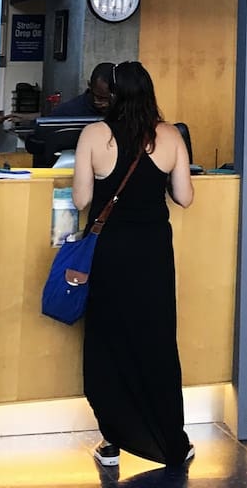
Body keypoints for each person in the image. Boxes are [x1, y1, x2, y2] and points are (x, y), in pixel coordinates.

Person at [72, 61, 194, 469]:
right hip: (153, 253)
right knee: (157, 343)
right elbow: (185, 197)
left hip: (110, 253)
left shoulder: (94, 134)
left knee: (109, 343)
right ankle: (171, 441)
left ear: (112, 94)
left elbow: (81, 200)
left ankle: (112, 442)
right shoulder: (170, 135)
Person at [49, 62, 115, 118]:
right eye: (100, 98)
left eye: (111, 98)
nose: (105, 104)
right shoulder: (65, 113)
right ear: (90, 85)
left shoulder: (123, 111)